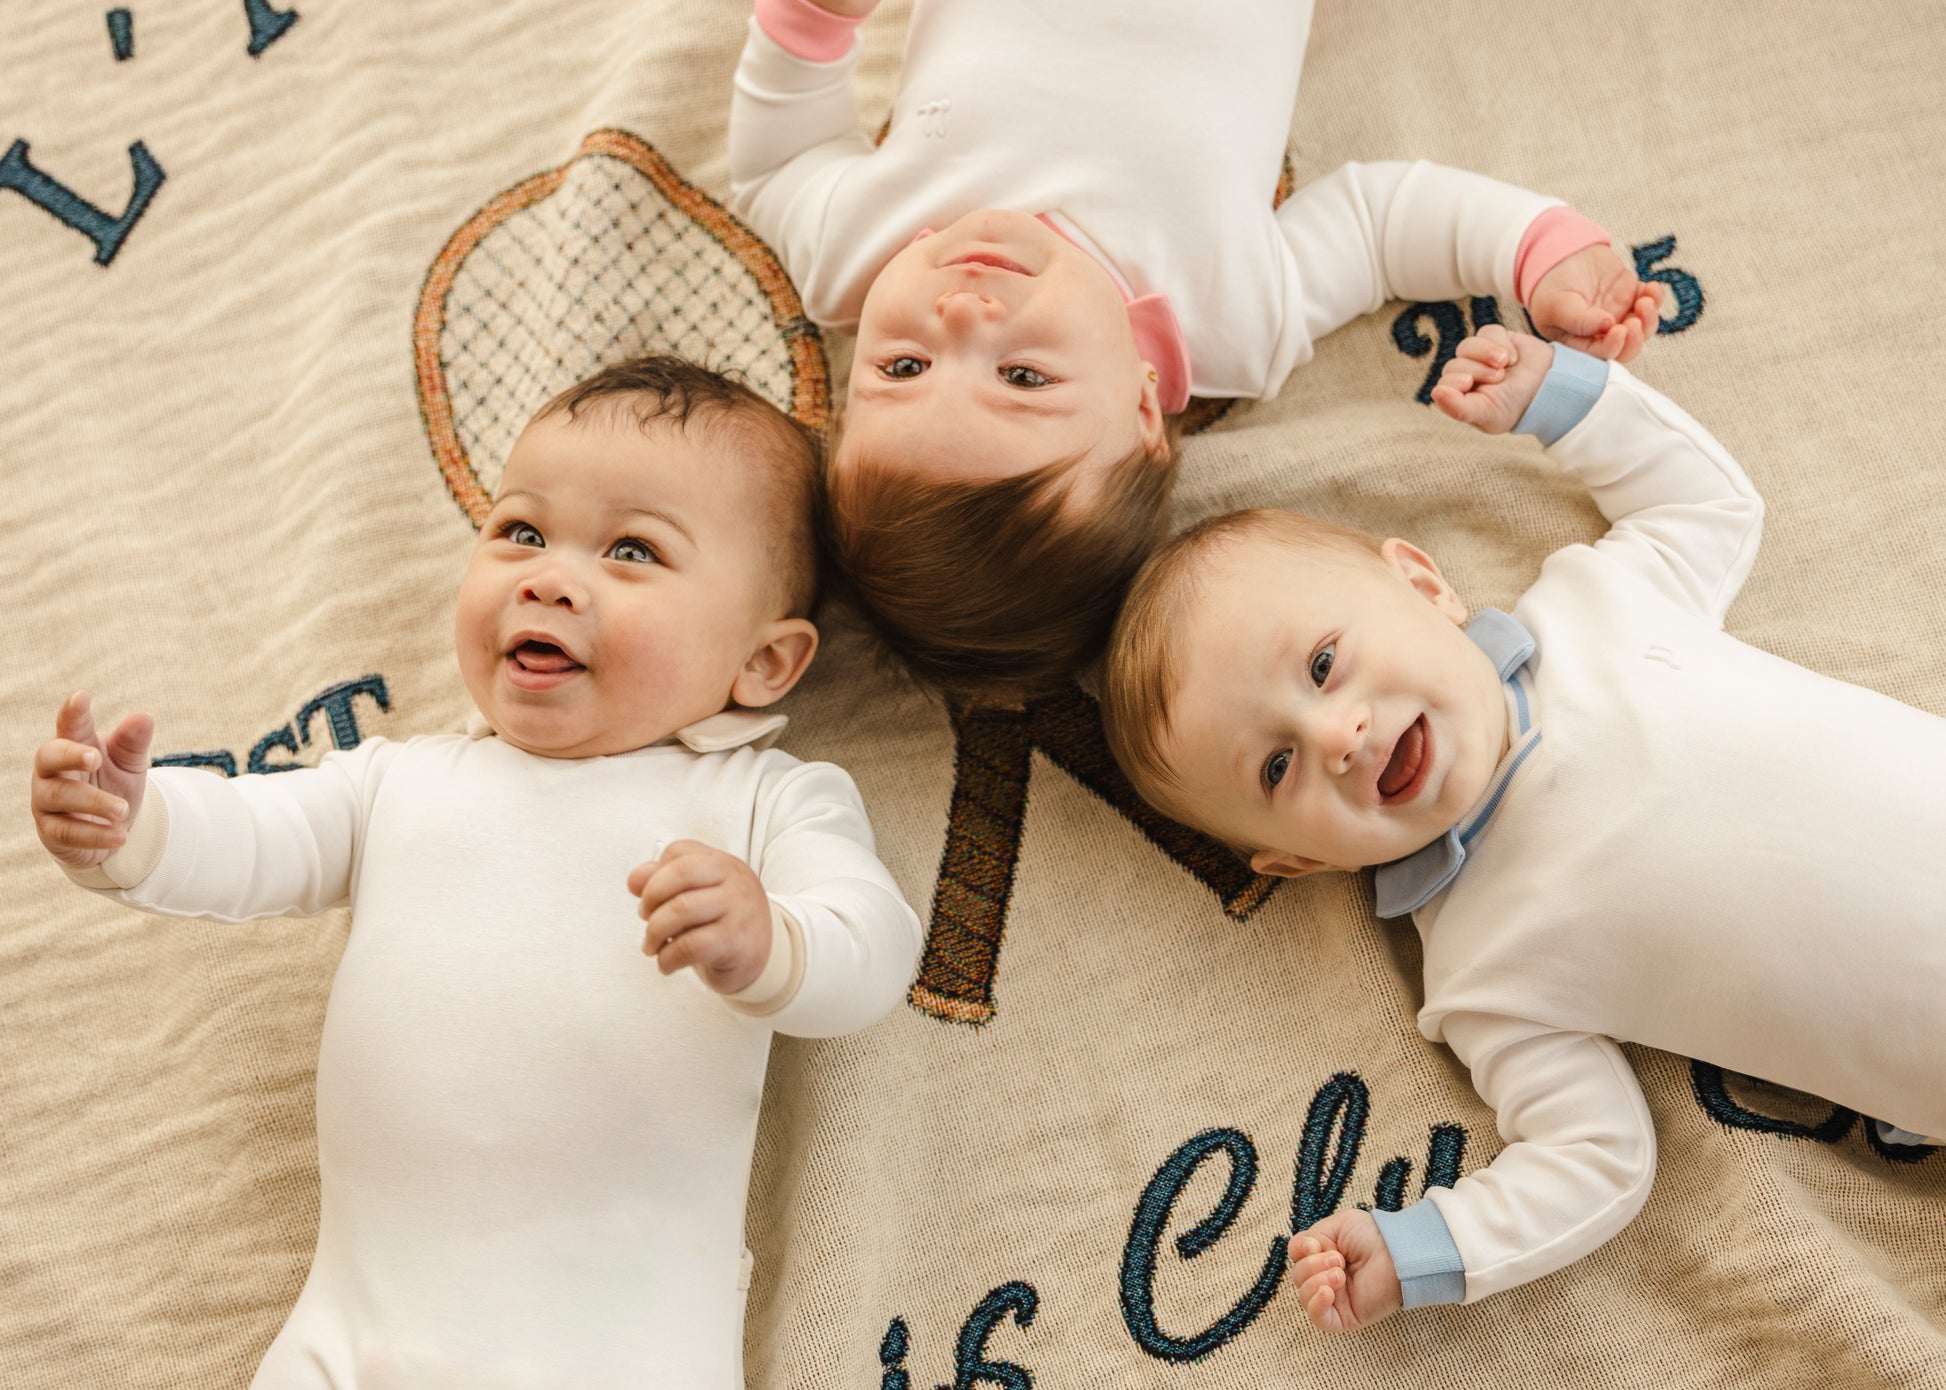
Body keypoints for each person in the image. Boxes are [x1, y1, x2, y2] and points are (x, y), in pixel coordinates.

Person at [28, 356, 924, 1387]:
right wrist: (127, 823)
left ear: (763, 662)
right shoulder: (395, 783)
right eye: (520, 533)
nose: (547, 576)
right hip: (358, 1326)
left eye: (632, 550)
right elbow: (246, 834)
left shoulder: (764, 799)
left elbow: (876, 947)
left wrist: (773, 940)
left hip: (616, 1336)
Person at [1097, 324, 1944, 1331]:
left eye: (1323, 664)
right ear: (1298, 859)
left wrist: (1562, 397)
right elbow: (1594, 1158)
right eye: (1276, 766)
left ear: (1420, 583)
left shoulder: (1594, 607)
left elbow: (1708, 504)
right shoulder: (1482, 974)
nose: (1337, 734)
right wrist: (1425, 1247)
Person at [726, 0, 1665, 693]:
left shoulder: (855, 250)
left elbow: (777, 162)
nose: (960, 314)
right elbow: (1381, 227)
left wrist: (809, 24)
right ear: (1142, 406)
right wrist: (1532, 246)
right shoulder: (1236, 317)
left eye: (902, 369)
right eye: (1021, 376)